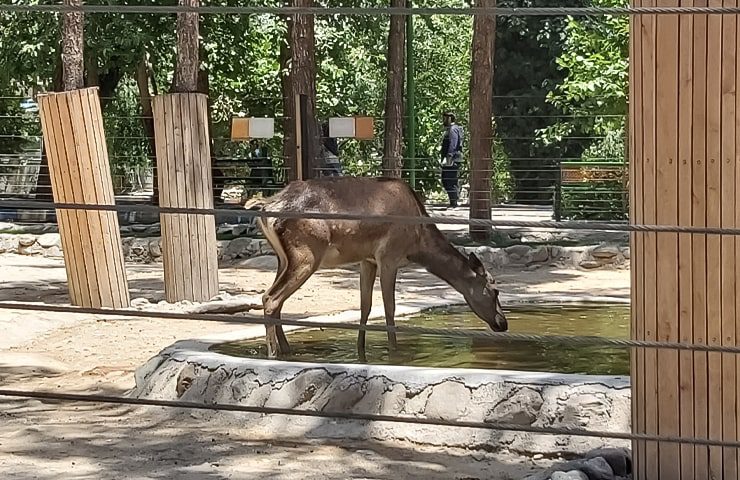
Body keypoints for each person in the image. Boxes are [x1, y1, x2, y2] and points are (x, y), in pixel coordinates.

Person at [440, 111, 464, 208]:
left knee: (449, 180)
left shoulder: (453, 129)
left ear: (450, 118)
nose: (443, 120)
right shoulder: (454, 129)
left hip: (452, 159)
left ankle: (454, 203)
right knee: (448, 180)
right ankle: (453, 202)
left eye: (445, 118)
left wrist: (449, 157)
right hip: (453, 159)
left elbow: (453, 144)